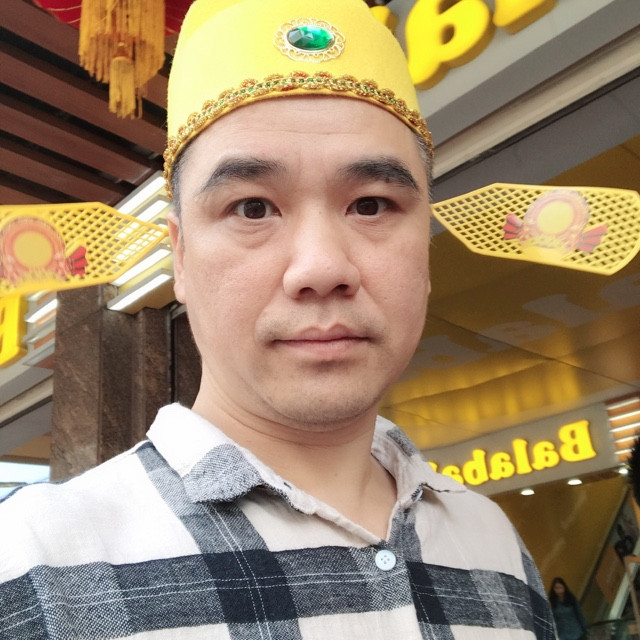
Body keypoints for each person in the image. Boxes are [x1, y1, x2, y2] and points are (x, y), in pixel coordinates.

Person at [0, 0, 556, 638]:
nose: (321, 267)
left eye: (371, 205)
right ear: (181, 257)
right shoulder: (36, 565)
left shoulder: (494, 541)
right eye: (253, 208)